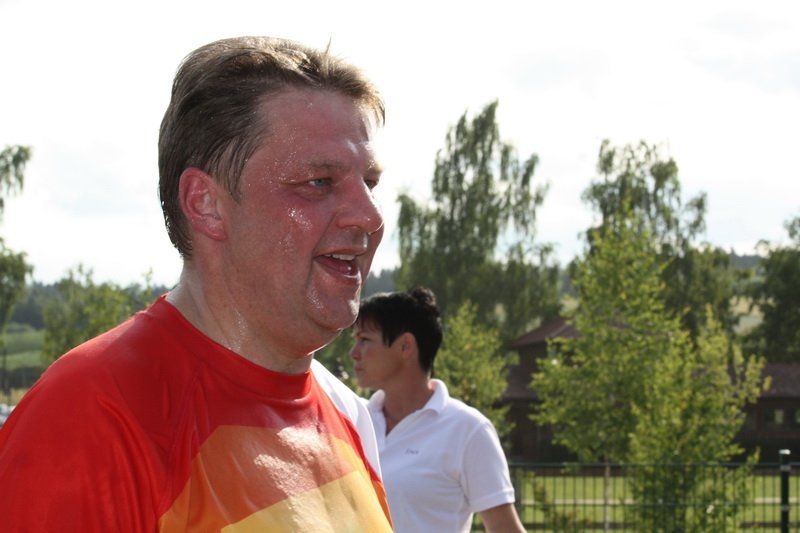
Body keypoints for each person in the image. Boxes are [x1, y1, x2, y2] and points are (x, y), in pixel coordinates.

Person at [0, 37, 393, 531]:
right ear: (206, 204)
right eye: (319, 182)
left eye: (369, 184)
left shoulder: (348, 412)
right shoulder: (89, 417)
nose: (369, 217)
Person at [350, 287, 526, 533]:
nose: (353, 353)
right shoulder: (353, 420)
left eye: (365, 340)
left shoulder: (468, 430)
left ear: (406, 346)